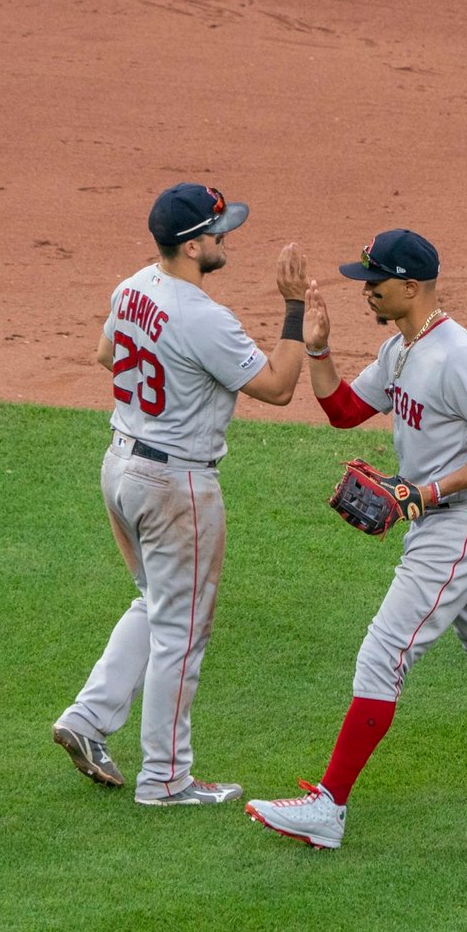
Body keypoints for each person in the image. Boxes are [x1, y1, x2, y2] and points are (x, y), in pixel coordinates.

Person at [244, 229, 467, 849]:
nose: (366, 291)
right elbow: (344, 413)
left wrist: (424, 492)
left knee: (383, 652)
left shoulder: (458, 356)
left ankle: (327, 808)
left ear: (411, 286)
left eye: (375, 283)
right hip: (446, 521)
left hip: (460, 523)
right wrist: (321, 351)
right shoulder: (401, 349)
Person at [53, 182, 311, 805]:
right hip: (176, 487)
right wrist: (295, 310)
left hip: (120, 466)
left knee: (154, 602)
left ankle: (88, 719)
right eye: (219, 232)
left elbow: (104, 354)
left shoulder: (133, 286)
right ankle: (166, 779)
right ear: (193, 246)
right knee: (183, 630)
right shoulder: (204, 318)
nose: (226, 239)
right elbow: (277, 387)